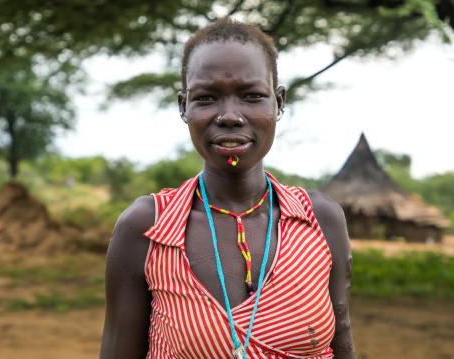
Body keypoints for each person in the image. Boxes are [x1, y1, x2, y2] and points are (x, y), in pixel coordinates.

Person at [100, 17, 355, 359]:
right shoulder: (147, 227)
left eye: (252, 96)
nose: (230, 116)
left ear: (279, 102)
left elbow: (342, 341)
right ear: (183, 107)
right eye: (206, 98)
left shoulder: (320, 220)